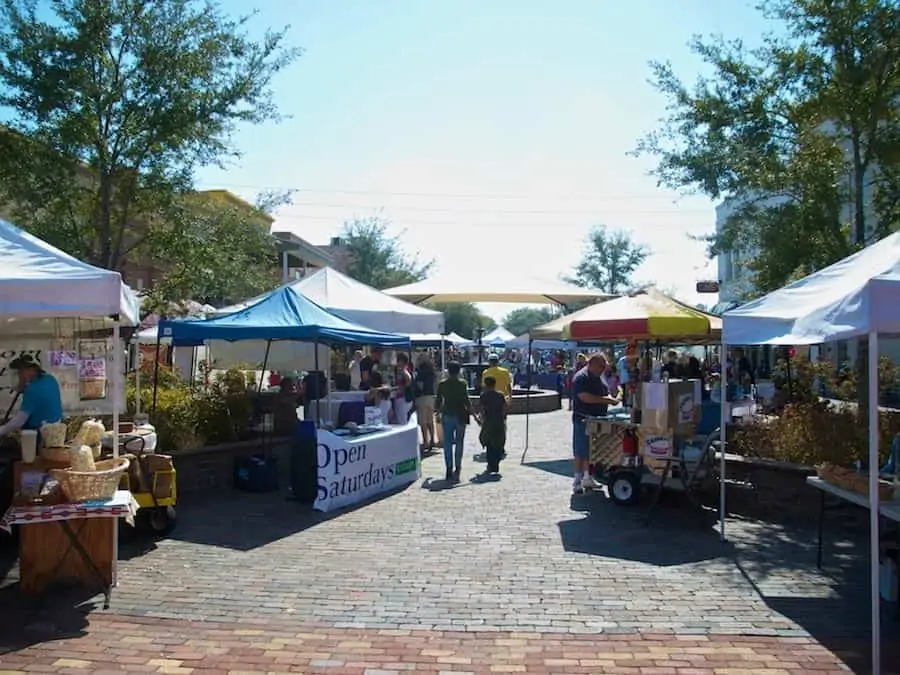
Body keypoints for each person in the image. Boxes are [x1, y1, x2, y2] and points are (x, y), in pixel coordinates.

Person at [571, 353, 620, 495]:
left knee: (591, 450)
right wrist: (607, 400)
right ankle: (577, 480)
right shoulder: (582, 377)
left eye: (604, 366)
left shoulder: (599, 376)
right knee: (580, 450)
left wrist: (612, 396)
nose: (603, 369)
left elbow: (605, 391)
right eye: (601, 366)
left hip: (597, 418)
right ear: (591, 364)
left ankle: (588, 477)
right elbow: (584, 397)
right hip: (583, 419)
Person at [0, 354, 64, 441]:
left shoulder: (32, 389)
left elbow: (19, 421)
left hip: (41, 434)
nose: (20, 376)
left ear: (31, 370)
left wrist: (2, 430)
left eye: (20, 372)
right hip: (58, 431)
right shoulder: (50, 379)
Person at [436, 361, 472, 483]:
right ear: (459, 371)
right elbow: (467, 401)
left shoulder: (442, 384)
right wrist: (475, 415)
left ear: (448, 370)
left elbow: (438, 401)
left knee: (447, 443)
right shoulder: (462, 384)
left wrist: (437, 412)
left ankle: (449, 468)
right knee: (459, 443)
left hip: (447, 415)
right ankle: (458, 467)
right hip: (461, 415)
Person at [476, 376, 506, 475]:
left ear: (485, 384)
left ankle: (490, 465)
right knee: (498, 443)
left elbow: (481, 409)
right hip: (499, 421)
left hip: (489, 422)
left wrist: (481, 419)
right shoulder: (500, 395)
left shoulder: (484, 395)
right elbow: (504, 409)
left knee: (489, 443)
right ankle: (496, 465)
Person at [414, 354, 437, 451]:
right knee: (430, 420)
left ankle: (425, 441)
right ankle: (432, 440)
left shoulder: (420, 372)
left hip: (422, 397)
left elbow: (420, 386)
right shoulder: (432, 372)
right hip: (430, 396)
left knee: (423, 421)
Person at [394, 353, 414, 423]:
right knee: (399, 419)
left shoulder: (405, 370)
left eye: (399, 361)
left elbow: (409, 380)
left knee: (402, 419)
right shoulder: (399, 371)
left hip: (404, 398)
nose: (397, 362)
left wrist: (402, 388)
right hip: (399, 398)